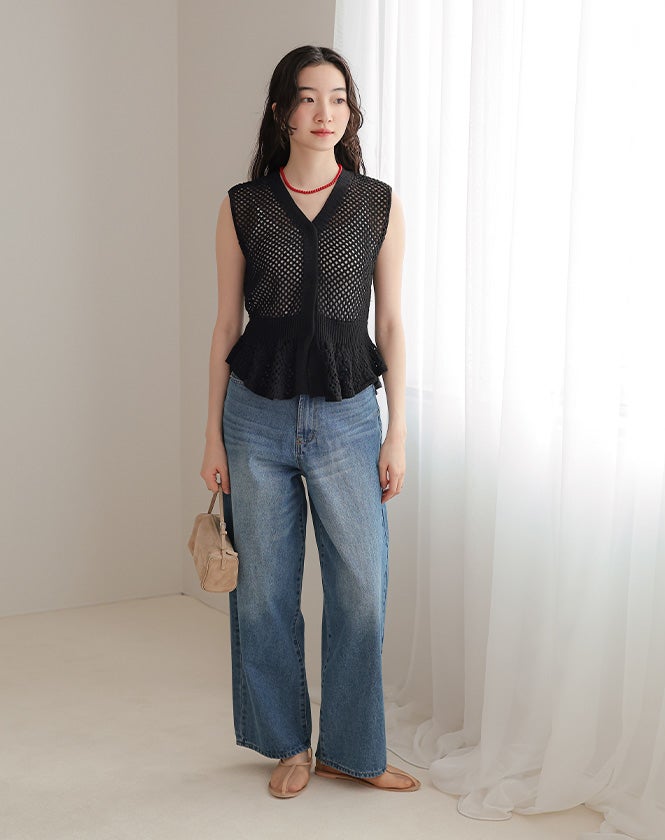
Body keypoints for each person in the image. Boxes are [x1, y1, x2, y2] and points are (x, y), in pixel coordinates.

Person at [199, 45, 419, 799]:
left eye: (338, 98)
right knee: (263, 592)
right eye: (308, 97)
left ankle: (353, 752)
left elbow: (391, 323)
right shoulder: (243, 206)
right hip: (254, 419)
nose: (325, 112)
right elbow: (225, 326)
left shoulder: (376, 204)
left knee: (361, 590)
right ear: (281, 111)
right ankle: (287, 744)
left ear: (351, 113)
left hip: (350, 419)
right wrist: (211, 436)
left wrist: (397, 431)